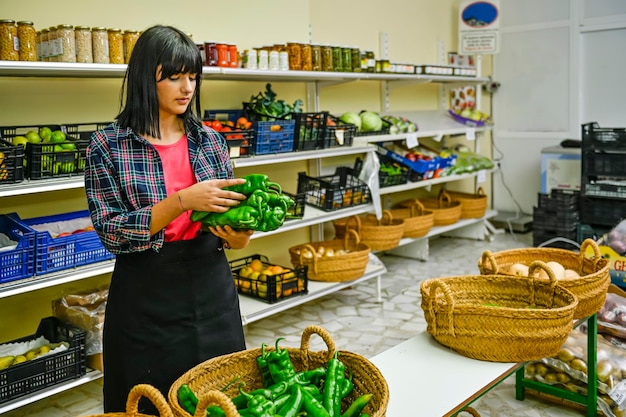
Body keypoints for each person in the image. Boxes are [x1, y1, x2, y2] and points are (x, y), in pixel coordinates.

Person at [84, 25, 253, 413]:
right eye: (174, 76)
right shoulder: (108, 145)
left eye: (193, 76)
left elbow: (230, 216)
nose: (187, 87)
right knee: (147, 402)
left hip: (212, 293)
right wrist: (180, 201)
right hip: (145, 300)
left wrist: (239, 237)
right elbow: (111, 230)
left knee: (219, 398)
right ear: (147, 76)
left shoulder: (209, 140)